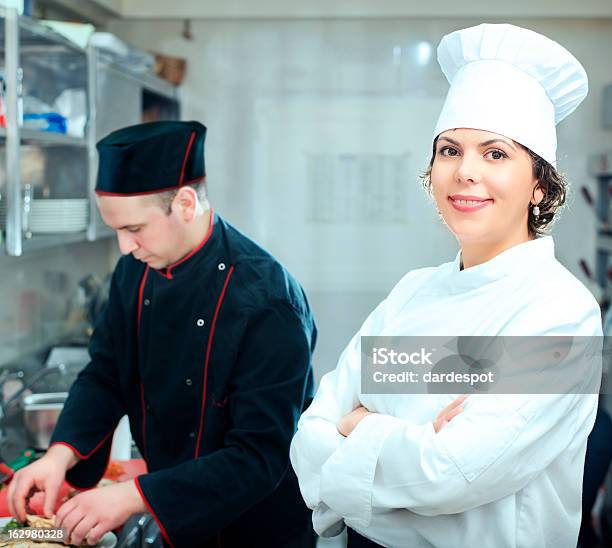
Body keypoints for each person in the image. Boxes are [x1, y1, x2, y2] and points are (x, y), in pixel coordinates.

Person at [290, 23, 602, 548]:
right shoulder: (413, 291)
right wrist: (408, 442)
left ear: (539, 187)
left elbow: (451, 475)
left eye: (496, 153)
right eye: (449, 150)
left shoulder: (560, 313)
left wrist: (360, 428)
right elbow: (309, 436)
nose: (465, 172)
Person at [7, 121, 318, 548]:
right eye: (115, 230)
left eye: (134, 229)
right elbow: (107, 372)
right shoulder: (135, 269)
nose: (124, 247)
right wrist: (59, 455)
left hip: (257, 526)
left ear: (185, 204)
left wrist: (132, 496)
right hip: (171, 507)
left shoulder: (267, 303)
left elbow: (260, 457)